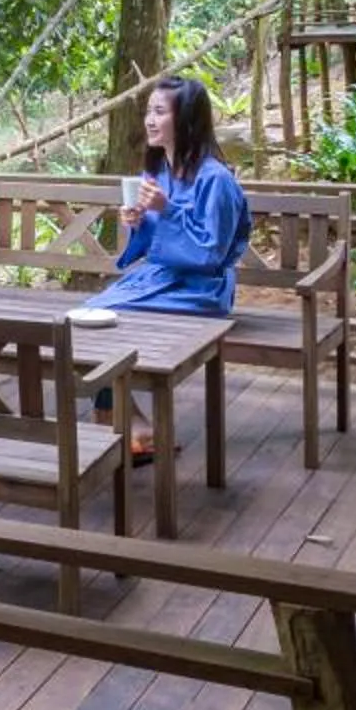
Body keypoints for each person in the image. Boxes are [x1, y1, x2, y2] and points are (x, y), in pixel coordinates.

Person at [78, 74, 250, 462]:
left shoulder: (216, 180)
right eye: (148, 112)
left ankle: (120, 418)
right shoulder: (157, 175)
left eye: (159, 111)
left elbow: (210, 253)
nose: (149, 121)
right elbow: (150, 245)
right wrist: (137, 219)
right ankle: (119, 414)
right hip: (161, 278)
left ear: (186, 119)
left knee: (111, 318)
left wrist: (166, 211)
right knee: (91, 316)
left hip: (201, 289)